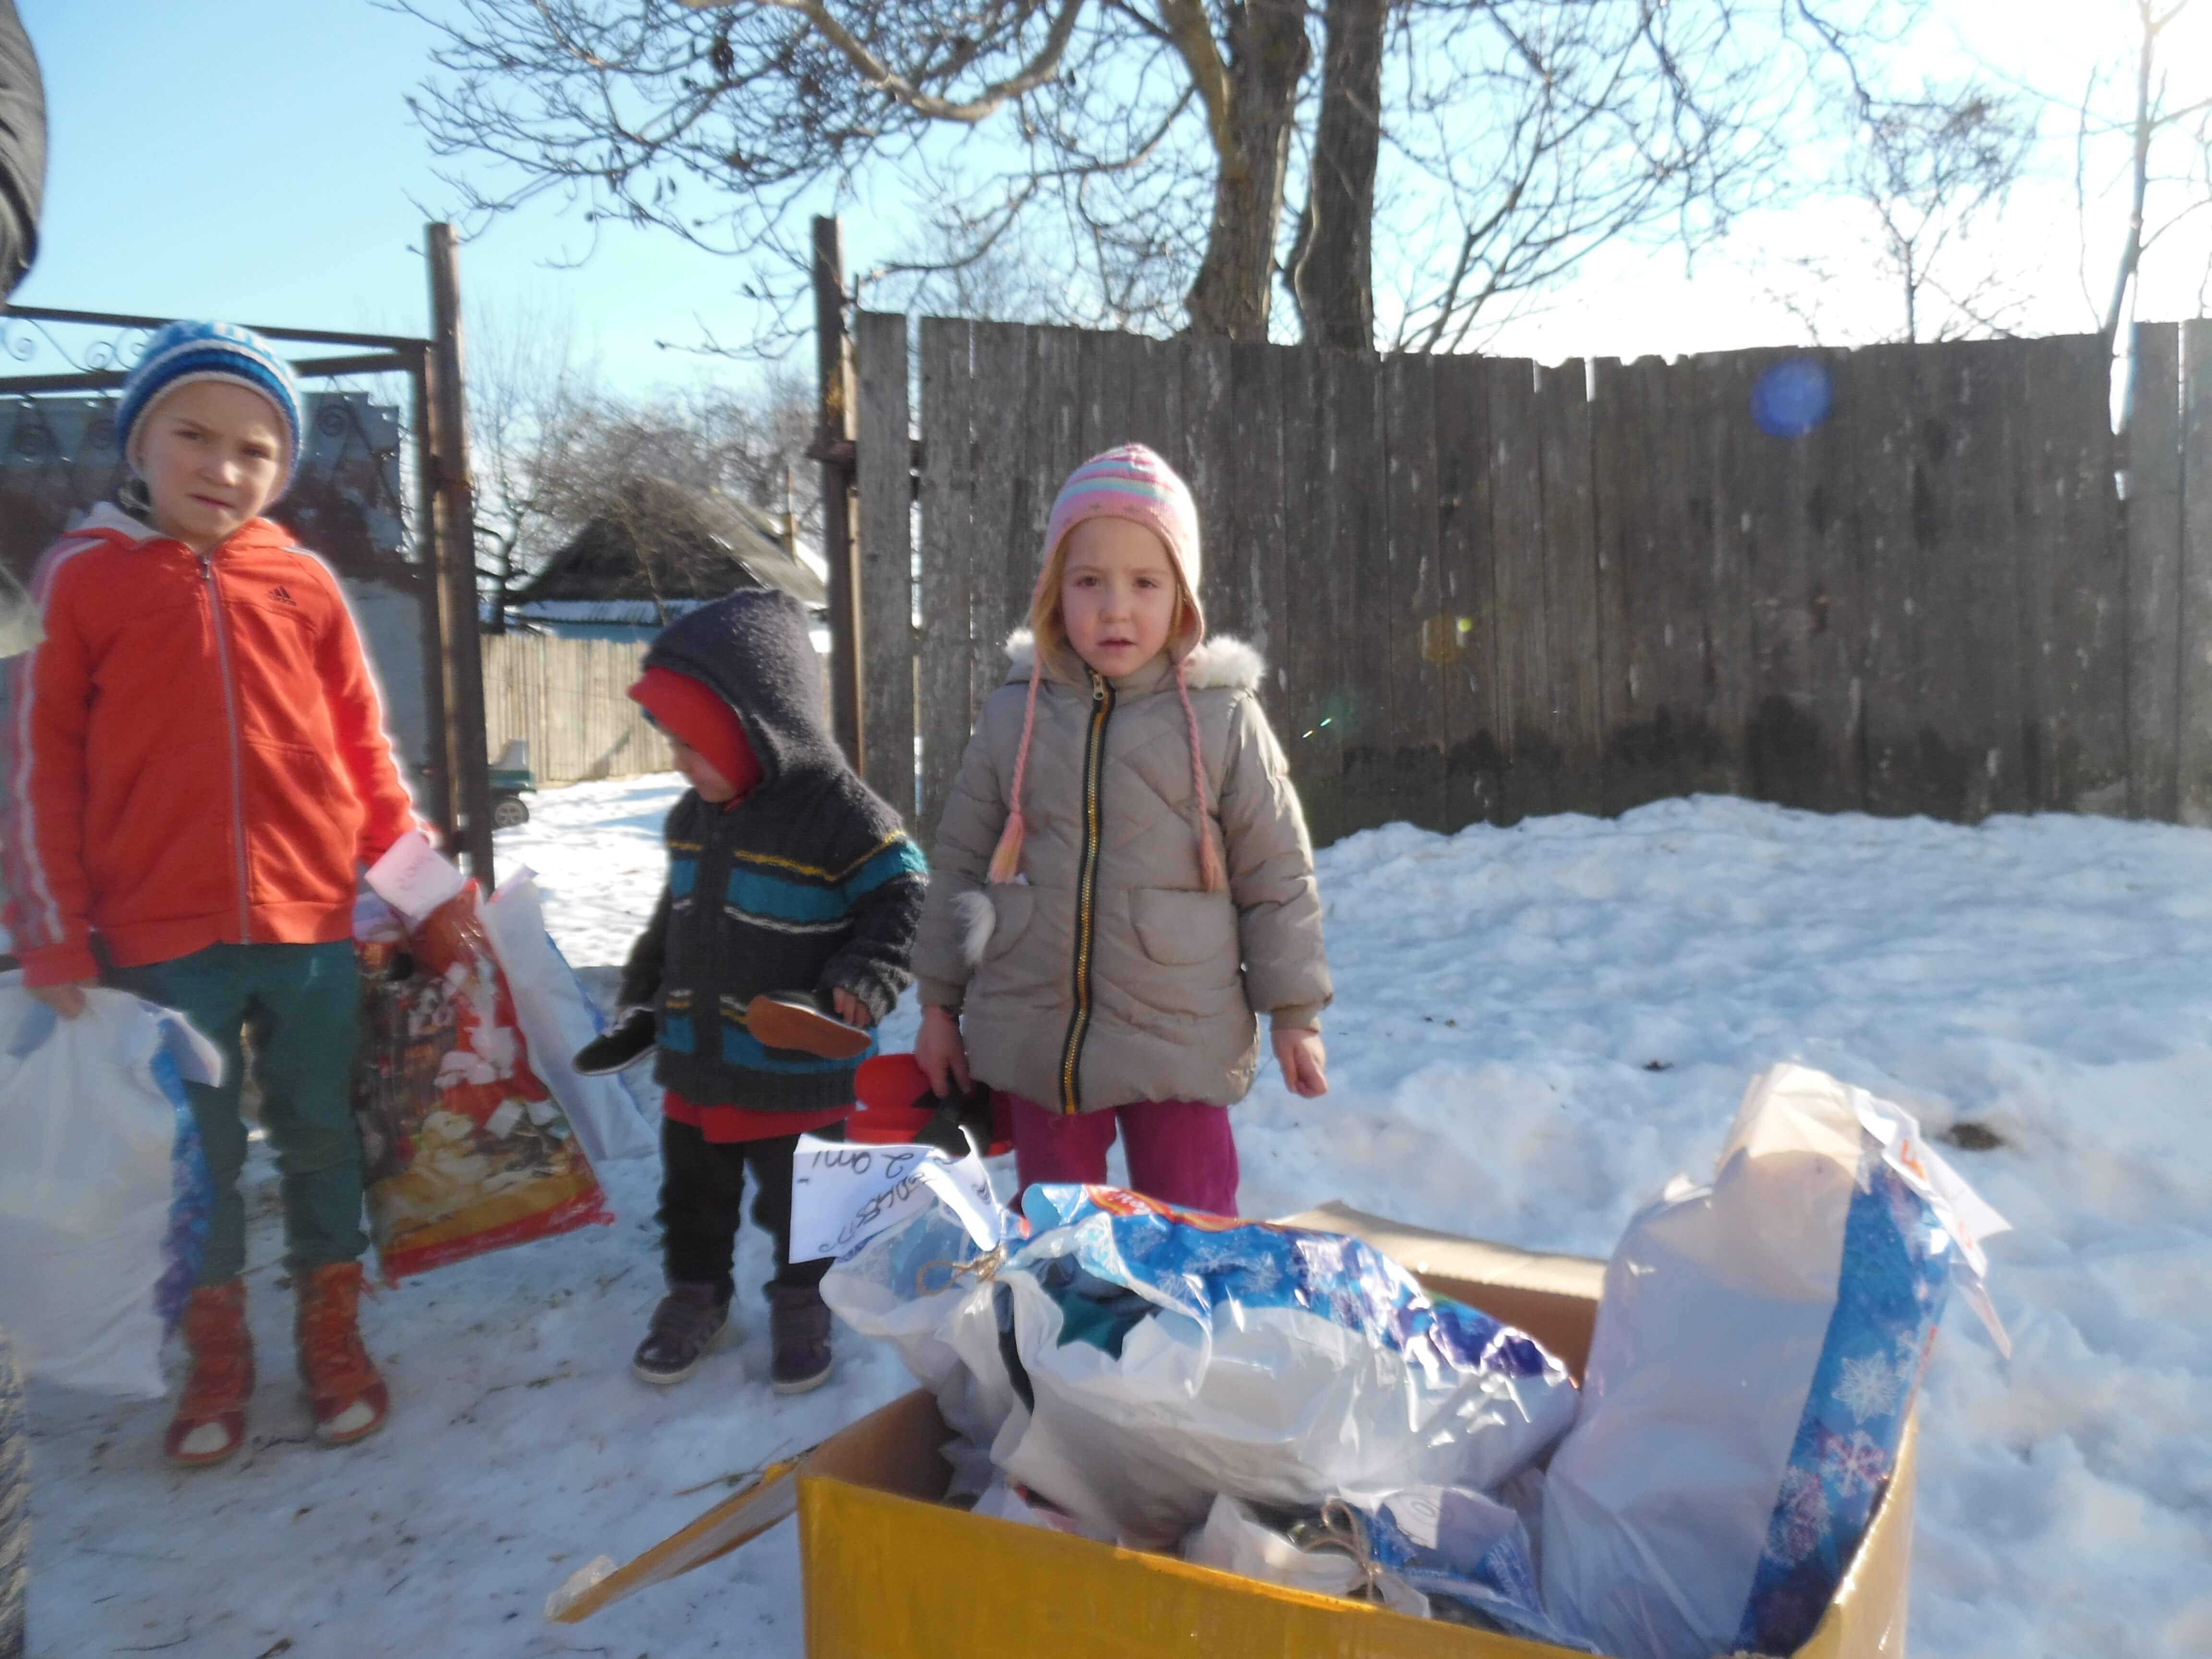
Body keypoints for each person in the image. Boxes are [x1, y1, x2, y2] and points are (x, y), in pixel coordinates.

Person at [3, 322, 421, 1467]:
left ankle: (331, 1334)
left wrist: (421, 885)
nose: (221, 468)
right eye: (192, 435)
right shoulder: (80, 579)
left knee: (321, 1138)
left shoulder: (303, 579)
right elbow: (38, 769)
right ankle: (217, 1357)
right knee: (202, 1161)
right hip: (153, 943)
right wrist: (51, 933)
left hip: (311, 930)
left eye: (253, 450)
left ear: (280, 470)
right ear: (140, 441)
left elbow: (364, 750)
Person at [912, 444, 1331, 1217]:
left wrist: (1294, 1012)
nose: (1116, 608)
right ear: (1052, 593)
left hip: (1180, 1033)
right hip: (1043, 1036)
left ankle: (1186, 1332)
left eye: (1145, 583)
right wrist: (938, 1004)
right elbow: (962, 859)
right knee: (1059, 1225)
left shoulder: (1223, 718)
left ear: (1182, 597)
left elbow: (1278, 874)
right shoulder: (1017, 711)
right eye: (1088, 581)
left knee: (1191, 1217)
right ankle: (1071, 1336)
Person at [612, 589, 925, 1394]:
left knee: (801, 1205)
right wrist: (645, 985)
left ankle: (802, 1301)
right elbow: (676, 914)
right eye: (673, 741)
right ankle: (697, 1293)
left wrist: (865, 978)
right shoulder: (693, 815)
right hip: (699, 1060)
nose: (678, 758)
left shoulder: (842, 816)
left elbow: (905, 896)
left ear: (760, 730)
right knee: (692, 1197)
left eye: (694, 742)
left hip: (794, 1066)